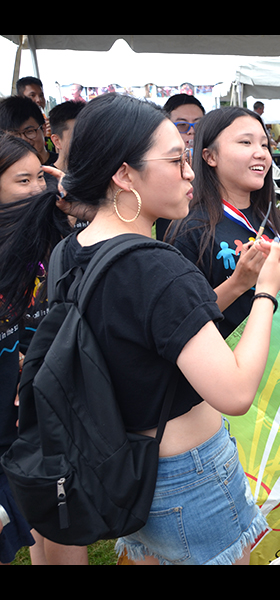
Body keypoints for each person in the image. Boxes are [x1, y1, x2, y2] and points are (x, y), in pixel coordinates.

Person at [18, 92, 280, 564]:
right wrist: (266, 292)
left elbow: (158, 329)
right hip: (190, 477)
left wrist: (236, 283)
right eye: (176, 160)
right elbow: (234, 392)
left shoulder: (73, 249)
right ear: (124, 174)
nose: (191, 173)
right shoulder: (157, 267)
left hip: (128, 467)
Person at [0, 134, 90, 564]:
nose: (40, 188)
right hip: (6, 421)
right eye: (24, 180)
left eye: (42, 176)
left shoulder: (58, 239)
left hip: (49, 407)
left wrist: (77, 204)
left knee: (60, 520)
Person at [165, 106, 280, 339]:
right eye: (246, 143)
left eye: (264, 144)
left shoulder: (271, 217)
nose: (261, 153)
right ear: (210, 156)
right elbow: (180, 319)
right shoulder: (191, 229)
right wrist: (238, 283)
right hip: (228, 365)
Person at [0, 96, 57, 166]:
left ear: (44, 129)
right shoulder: (5, 171)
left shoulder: (64, 165)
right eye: (15, 134)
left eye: (29, 131)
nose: (23, 139)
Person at [48, 100, 85, 173]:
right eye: (76, 136)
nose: (84, 141)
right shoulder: (45, 182)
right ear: (57, 141)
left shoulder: (96, 175)